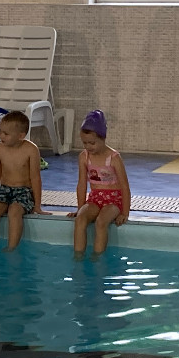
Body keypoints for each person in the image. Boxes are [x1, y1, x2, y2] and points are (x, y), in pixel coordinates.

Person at [0, 111, 49, 251]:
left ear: (21, 136)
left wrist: (37, 206)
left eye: (6, 134)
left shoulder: (31, 149)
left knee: (14, 211)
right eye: (0, 131)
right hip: (4, 189)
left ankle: (11, 248)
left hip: (24, 191)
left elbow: (36, 178)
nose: (1, 136)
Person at [67, 110, 131, 258]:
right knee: (80, 219)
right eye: (85, 143)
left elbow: (125, 186)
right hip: (95, 199)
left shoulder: (114, 158)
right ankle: (78, 257)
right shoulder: (84, 157)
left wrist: (125, 213)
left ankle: (97, 258)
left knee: (101, 222)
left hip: (114, 200)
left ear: (103, 138)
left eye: (92, 143)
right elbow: (81, 184)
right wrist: (80, 208)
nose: (88, 147)